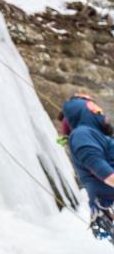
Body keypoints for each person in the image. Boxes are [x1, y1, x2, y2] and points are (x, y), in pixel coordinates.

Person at [59, 94, 114, 239]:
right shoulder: (82, 134)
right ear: (84, 112)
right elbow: (103, 172)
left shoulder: (95, 135)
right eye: (96, 110)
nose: (102, 113)